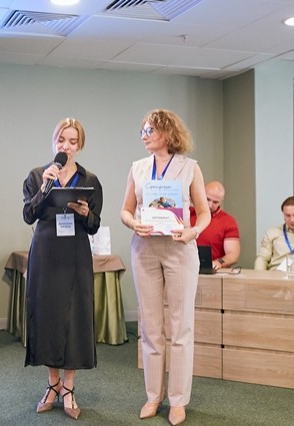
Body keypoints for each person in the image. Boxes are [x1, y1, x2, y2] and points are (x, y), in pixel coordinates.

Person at [120, 109, 210, 425]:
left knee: (181, 326)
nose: (144, 136)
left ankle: (178, 400)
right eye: (143, 131)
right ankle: (153, 396)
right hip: (144, 249)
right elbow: (125, 210)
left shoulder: (190, 168)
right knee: (150, 327)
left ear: (168, 133)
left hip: (179, 249)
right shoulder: (138, 168)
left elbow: (204, 212)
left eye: (150, 130)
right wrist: (133, 224)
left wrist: (193, 231)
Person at [22, 117, 103, 420]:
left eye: (72, 141)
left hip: (76, 255)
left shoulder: (90, 179)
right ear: (54, 142)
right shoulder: (37, 175)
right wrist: (45, 187)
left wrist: (84, 212)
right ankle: (52, 384)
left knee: (74, 317)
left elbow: (94, 225)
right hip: (46, 254)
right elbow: (28, 214)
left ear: (80, 145)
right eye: (61, 140)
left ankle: (69, 387)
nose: (66, 146)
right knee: (48, 317)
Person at [190, 180, 240, 270]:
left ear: (221, 201)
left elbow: (233, 254)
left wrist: (219, 262)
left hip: (212, 269)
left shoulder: (228, 221)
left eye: (215, 202)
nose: (210, 205)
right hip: (185, 266)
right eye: (207, 199)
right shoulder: (188, 214)